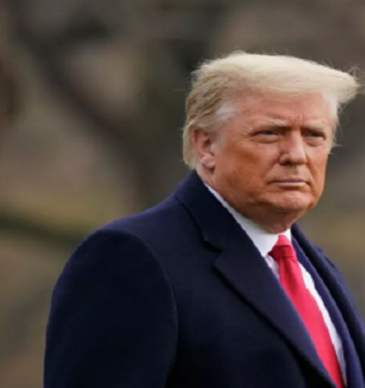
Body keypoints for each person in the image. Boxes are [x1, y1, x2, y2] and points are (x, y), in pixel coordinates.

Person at [44, 52, 365, 388]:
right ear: (207, 146)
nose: (296, 155)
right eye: (270, 133)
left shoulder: (313, 265)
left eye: (314, 135)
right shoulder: (129, 258)